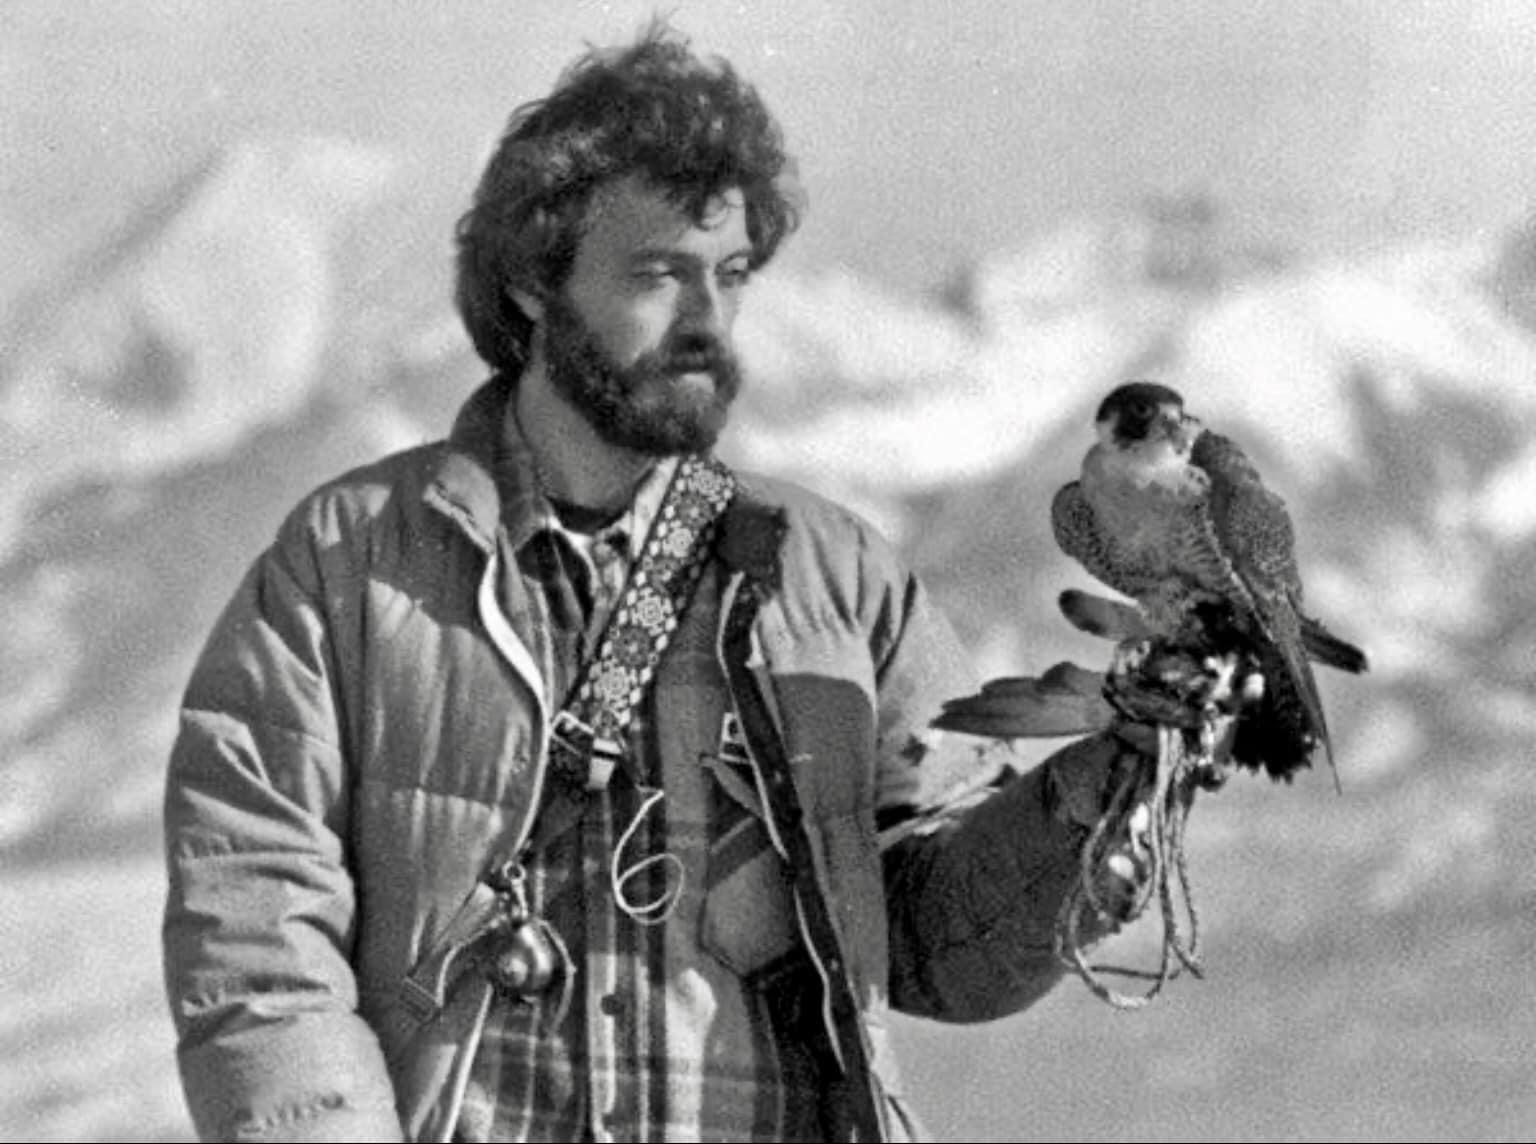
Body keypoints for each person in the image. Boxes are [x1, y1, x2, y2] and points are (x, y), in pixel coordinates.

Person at [161, 22, 1181, 1143]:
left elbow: (939, 951)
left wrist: (1096, 793)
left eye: (730, 275)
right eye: (658, 273)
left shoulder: (833, 577)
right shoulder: (349, 567)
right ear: (532, 282)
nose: (707, 320)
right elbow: (257, 937)